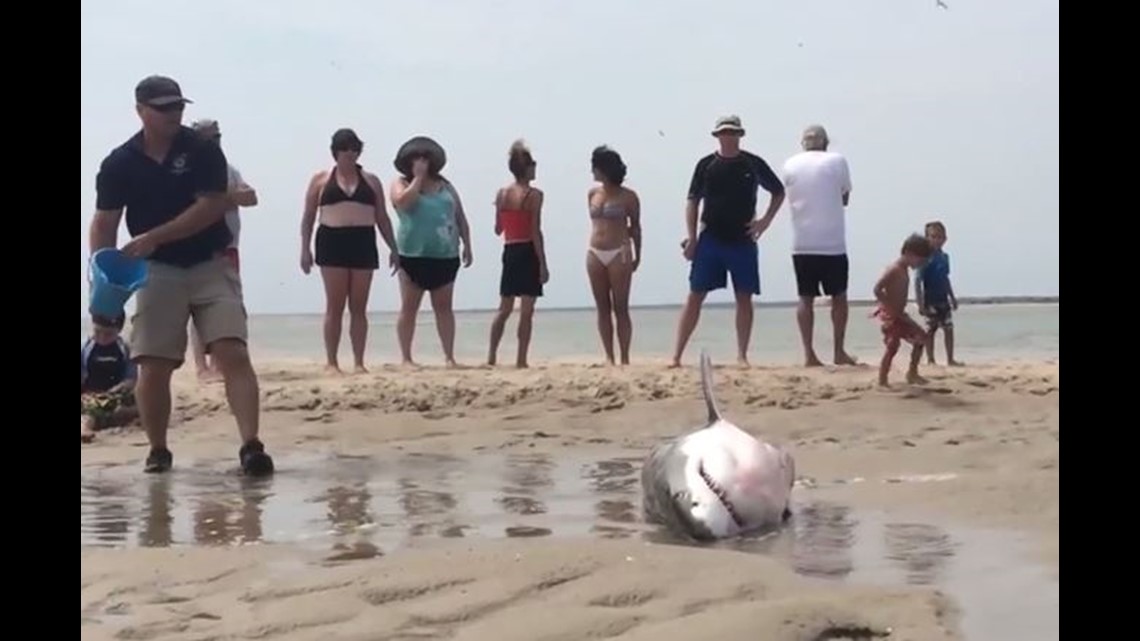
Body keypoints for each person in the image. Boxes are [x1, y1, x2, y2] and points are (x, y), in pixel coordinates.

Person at [89, 74, 274, 475]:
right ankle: (158, 450)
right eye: (165, 107)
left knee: (232, 351)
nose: (175, 113)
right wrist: (102, 283)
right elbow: (104, 224)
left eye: (179, 106)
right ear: (141, 111)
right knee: (154, 365)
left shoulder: (203, 151)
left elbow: (210, 208)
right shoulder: (119, 163)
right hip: (156, 271)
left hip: (211, 262)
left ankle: (251, 445)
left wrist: (153, 236)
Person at [670, 115, 785, 368]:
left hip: (742, 239)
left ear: (740, 135)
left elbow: (778, 191)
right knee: (695, 294)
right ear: (717, 135)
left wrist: (765, 221)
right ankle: (676, 355)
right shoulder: (706, 165)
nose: (728, 136)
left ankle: (742, 355)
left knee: (744, 297)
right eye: (724, 132)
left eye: (733, 132)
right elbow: (692, 201)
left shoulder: (752, 163)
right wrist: (691, 238)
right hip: (710, 238)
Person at [300, 128, 398, 375]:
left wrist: (394, 248)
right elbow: (309, 216)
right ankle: (331, 362)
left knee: (359, 306)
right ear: (336, 152)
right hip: (332, 239)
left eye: (354, 149)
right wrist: (305, 248)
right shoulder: (321, 180)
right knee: (335, 304)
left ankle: (358, 362)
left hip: (363, 240)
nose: (350, 153)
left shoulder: (371, 180)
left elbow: (383, 218)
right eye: (345, 149)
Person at [389, 136, 473, 368]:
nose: (422, 161)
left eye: (426, 158)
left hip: (445, 255)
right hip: (412, 255)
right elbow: (401, 203)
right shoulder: (402, 183)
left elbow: (460, 216)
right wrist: (417, 179)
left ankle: (449, 356)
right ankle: (406, 357)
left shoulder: (446, 186)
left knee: (444, 308)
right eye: (417, 158)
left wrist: (467, 243)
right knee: (409, 307)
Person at [187, 118, 259, 381]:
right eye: (210, 138)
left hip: (229, 246)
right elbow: (198, 203)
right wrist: (227, 198)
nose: (215, 142)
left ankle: (219, 364)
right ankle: (201, 367)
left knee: (229, 306)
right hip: (198, 246)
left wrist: (220, 199)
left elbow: (251, 197)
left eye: (218, 137)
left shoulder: (229, 169)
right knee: (198, 310)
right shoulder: (191, 169)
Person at [782, 124, 859, 367]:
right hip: (832, 241)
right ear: (825, 143)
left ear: (803, 143)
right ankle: (838, 350)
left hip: (802, 241)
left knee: (805, 298)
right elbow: (844, 196)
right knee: (839, 296)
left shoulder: (790, 164)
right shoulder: (837, 161)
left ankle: (809, 354)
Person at [487, 140, 548, 368]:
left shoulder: (502, 194)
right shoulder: (534, 195)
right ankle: (521, 359)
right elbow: (535, 231)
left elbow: (498, 229)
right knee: (526, 311)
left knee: (504, 308)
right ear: (527, 168)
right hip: (527, 250)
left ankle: (491, 355)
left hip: (510, 249)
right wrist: (543, 263)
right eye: (533, 164)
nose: (535, 168)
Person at [585, 146, 642, 366]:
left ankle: (625, 356)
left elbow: (636, 227)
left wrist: (638, 254)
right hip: (595, 251)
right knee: (602, 307)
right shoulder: (593, 194)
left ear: (604, 169)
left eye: (595, 167)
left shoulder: (628, 196)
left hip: (619, 251)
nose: (592, 171)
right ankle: (609, 356)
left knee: (620, 306)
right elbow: (595, 221)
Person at [872, 233, 935, 387]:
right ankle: (882, 380)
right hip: (891, 315)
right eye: (920, 261)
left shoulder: (904, 270)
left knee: (921, 338)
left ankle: (912, 373)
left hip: (900, 315)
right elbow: (877, 289)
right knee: (893, 346)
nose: (920, 265)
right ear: (908, 254)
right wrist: (888, 307)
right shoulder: (894, 269)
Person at [80, 313, 138, 443]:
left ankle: (116, 416)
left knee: (141, 401)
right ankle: (87, 426)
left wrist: (118, 389)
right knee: (92, 408)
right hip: (91, 394)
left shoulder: (124, 349)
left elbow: (131, 379)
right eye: (97, 331)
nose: (102, 337)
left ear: (118, 331)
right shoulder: (85, 347)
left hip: (116, 393)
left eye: (108, 334)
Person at [916, 220, 962, 366]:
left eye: (940, 237)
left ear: (945, 239)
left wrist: (952, 298)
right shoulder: (924, 258)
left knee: (949, 329)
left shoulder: (944, 257)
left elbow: (945, 279)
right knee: (930, 330)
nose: (937, 240)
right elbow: (918, 281)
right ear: (927, 238)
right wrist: (920, 303)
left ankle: (950, 359)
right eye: (933, 236)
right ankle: (930, 359)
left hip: (943, 300)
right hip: (930, 301)